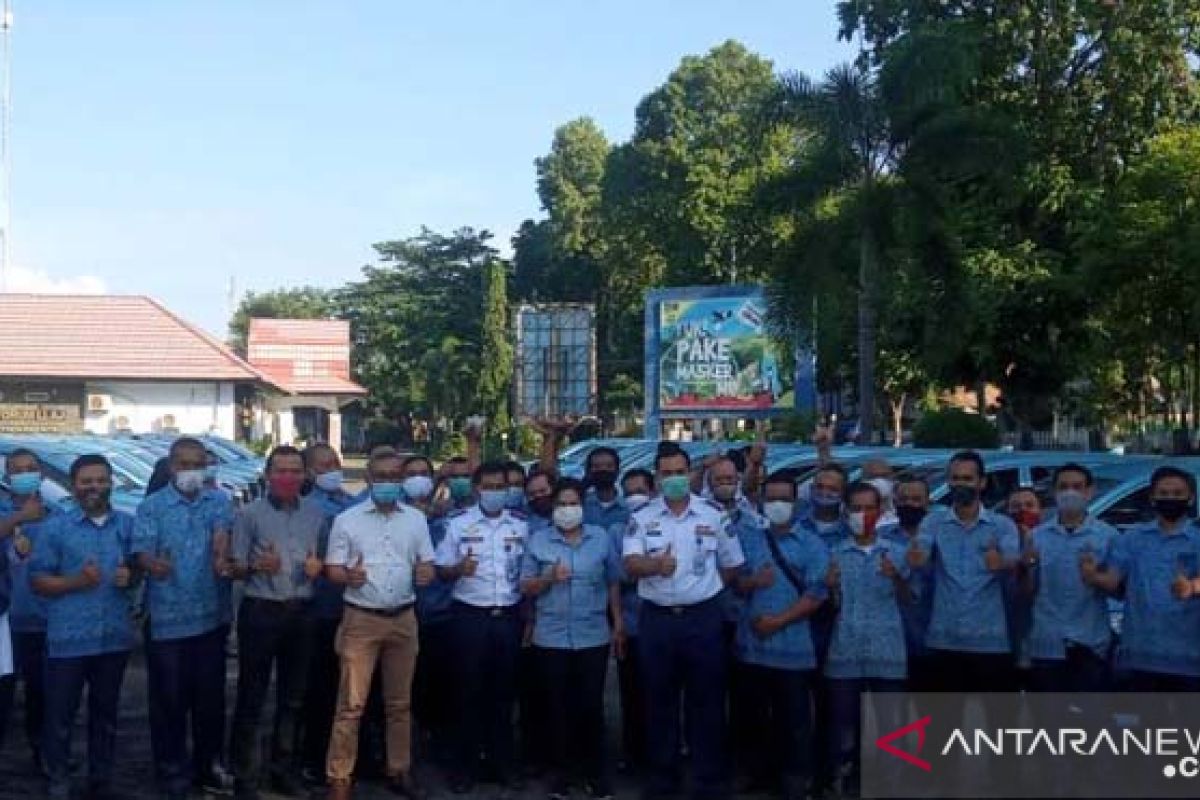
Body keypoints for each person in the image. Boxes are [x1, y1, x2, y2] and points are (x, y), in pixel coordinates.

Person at [623, 443, 745, 800]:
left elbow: (733, 562)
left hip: (703, 620)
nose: (674, 479)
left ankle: (709, 780)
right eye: (667, 473)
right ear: (658, 477)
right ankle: (663, 780)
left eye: (680, 472)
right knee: (659, 701)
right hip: (657, 621)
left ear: (691, 473)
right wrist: (655, 566)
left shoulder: (713, 515)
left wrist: (706, 586)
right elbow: (630, 564)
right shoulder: (642, 517)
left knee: (706, 702)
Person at [323, 450, 436, 800]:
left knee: (399, 703)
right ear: (369, 479)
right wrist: (348, 576)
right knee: (351, 704)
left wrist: (426, 573)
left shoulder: (416, 520)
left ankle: (398, 768)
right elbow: (332, 569)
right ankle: (340, 776)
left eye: (393, 477)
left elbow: (427, 564)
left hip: (403, 619)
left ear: (401, 481)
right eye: (380, 476)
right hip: (362, 619)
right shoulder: (347, 520)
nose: (387, 482)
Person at [132, 437, 237, 800]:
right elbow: (142, 552)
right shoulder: (152, 507)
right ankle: (171, 771)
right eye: (185, 464)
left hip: (211, 616)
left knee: (210, 699)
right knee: (168, 701)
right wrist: (152, 564)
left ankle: (208, 766)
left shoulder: (218, 501)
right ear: (172, 467)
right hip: (166, 620)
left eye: (199, 464)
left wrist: (221, 557)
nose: (192, 471)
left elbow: (222, 537)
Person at [29, 454, 137, 800]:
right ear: (73, 485)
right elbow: (38, 581)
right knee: (60, 717)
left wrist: (131, 576)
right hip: (68, 640)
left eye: (101, 480)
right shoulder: (56, 527)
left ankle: (100, 780)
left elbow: (139, 571)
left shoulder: (126, 525)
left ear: (111, 483)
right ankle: (58, 778)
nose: (94, 487)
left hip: (113, 639)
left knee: (105, 716)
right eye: (86, 481)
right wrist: (76, 581)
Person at [227, 446, 329, 799]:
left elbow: (325, 561)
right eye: (281, 471)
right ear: (268, 475)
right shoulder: (248, 514)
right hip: (261, 612)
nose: (288, 478)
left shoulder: (316, 515)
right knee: (251, 696)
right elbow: (233, 567)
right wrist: (257, 566)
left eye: (295, 471)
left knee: (293, 698)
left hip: (302, 611)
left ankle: (282, 770)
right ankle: (244, 774)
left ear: (305, 476)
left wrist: (321, 570)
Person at [519, 478, 624, 800]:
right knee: (557, 708)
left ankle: (595, 775)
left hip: (593, 635)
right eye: (561, 505)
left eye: (572, 503)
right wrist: (548, 578)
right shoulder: (538, 540)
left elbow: (613, 583)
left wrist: (618, 623)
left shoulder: (601, 538)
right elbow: (526, 587)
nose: (567, 510)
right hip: (550, 637)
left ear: (582, 506)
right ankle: (562, 775)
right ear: (552, 509)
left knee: (591, 707)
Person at [435, 461, 530, 795]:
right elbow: (441, 570)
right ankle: (465, 767)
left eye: (500, 486)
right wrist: (458, 568)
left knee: (504, 695)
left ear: (508, 489)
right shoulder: (457, 524)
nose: (494, 492)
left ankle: (502, 764)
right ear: (477, 490)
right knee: (467, 693)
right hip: (469, 617)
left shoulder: (521, 524)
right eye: (487, 487)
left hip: (508, 616)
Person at [734, 471, 828, 800]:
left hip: (794, 649)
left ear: (796, 502)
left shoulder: (812, 543)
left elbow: (817, 594)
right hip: (752, 647)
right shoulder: (749, 538)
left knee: (794, 721)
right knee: (754, 717)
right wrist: (750, 583)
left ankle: (793, 778)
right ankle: (759, 774)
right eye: (771, 498)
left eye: (784, 499)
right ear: (760, 501)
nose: (777, 505)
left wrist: (779, 621)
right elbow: (736, 583)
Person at [824, 482, 911, 798]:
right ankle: (847, 777)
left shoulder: (896, 552)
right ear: (846, 512)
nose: (863, 515)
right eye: (856, 508)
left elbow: (912, 599)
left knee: (891, 722)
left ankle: (892, 780)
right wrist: (829, 587)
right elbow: (829, 603)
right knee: (844, 722)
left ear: (880, 511)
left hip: (887, 647)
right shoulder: (834, 552)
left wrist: (897, 577)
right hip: (846, 647)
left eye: (869, 508)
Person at [1090, 465, 1200, 691]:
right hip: (1141, 654)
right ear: (1152, 498)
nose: (1170, 499)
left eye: (1178, 494)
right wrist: (1092, 573)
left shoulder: (1197, 539)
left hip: (1189, 656)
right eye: (1164, 494)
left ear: (1191, 498)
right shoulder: (1133, 538)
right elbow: (1112, 580)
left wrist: (1192, 586)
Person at [300, 444, 365, 787]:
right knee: (320, 691)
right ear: (309, 472)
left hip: (357, 608)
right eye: (323, 465)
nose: (332, 469)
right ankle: (313, 758)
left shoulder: (353, 503)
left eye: (335, 463)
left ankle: (356, 758)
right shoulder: (308, 509)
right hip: (321, 609)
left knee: (353, 692)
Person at [1020, 463, 1116, 692]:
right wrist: (1028, 565)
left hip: (1090, 644)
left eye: (1077, 486)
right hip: (1046, 644)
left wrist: (1095, 577)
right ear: (1054, 492)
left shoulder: (1108, 536)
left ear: (1089, 492)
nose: (1070, 492)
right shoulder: (1037, 537)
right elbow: (1026, 593)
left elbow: (1119, 589)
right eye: (1063, 487)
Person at [0, 449, 61, 773]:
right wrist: (20, 519)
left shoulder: (56, 514)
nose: (25, 474)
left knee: (43, 694)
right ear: (8, 479)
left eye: (31, 468)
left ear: (41, 474)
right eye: (18, 470)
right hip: (7, 621)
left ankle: (44, 756)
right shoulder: (4, 512)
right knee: (4, 695)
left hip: (45, 619)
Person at [408, 454, 457, 769]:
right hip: (403, 615)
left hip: (442, 615)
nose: (418, 479)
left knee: (442, 685)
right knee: (405, 690)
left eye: (424, 473)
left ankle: (439, 746)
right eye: (411, 474)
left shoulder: (448, 518)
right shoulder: (395, 517)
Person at [879, 477, 935, 691]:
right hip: (891, 641)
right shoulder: (881, 537)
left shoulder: (942, 535)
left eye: (916, 499)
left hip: (932, 641)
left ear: (928, 502)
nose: (909, 504)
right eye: (903, 499)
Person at [615, 468, 654, 774]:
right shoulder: (619, 531)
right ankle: (632, 755)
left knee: (662, 694)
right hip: (630, 621)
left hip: (663, 623)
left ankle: (663, 755)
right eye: (628, 493)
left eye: (639, 490)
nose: (634, 498)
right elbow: (617, 579)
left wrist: (644, 567)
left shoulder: (669, 525)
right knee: (631, 693)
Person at [1005, 487, 1043, 689]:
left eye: (1029, 506)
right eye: (1016, 507)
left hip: (1038, 636)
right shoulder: (1000, 544)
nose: (1023, 511)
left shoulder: (1046, 541)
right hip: (1005, 635)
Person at [582, 447, 627, 530]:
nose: (603, 469)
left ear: (618, 470)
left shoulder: (628, 506)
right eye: (596, 466)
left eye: (609, 466)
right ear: (588, 471)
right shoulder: (580, 506)